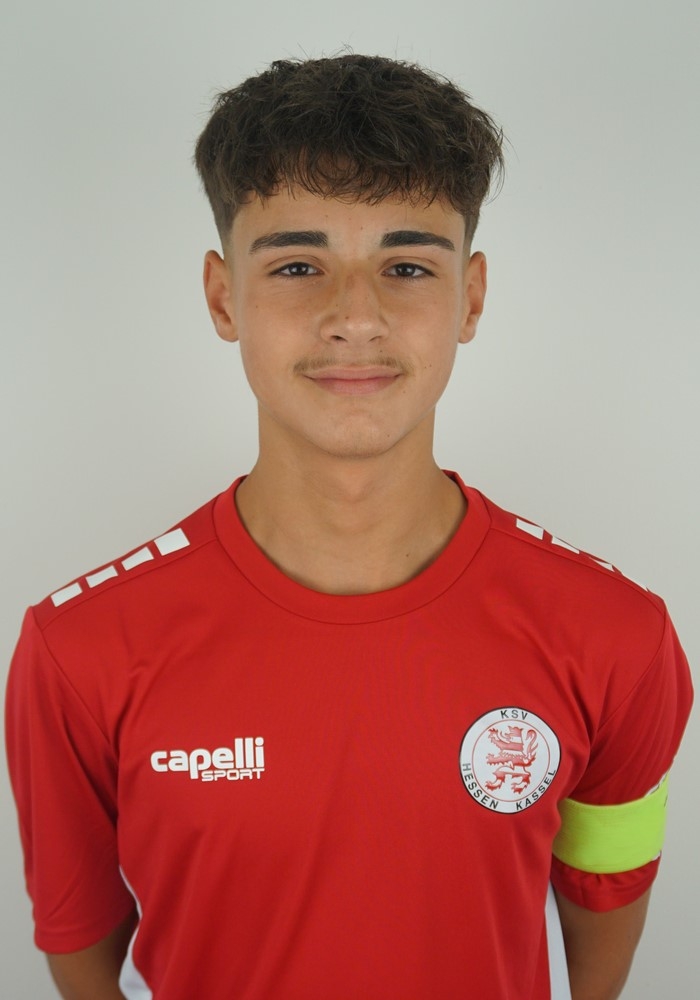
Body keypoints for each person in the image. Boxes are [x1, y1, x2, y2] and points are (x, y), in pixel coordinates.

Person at [5, 54, 692, 1000]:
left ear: (471, 297)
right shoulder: (77, 650)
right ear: (222, 296)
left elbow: (607, 904)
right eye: (298, 265)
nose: (355, 317)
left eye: (407, 266)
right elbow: (78, 943)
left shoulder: (620, 637)